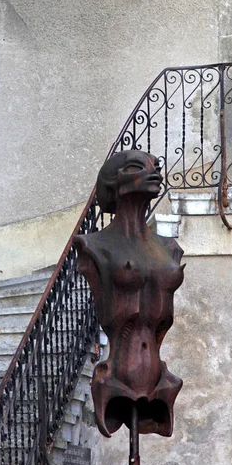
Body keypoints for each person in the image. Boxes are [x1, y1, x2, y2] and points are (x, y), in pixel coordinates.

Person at [74, 150, 184, 438]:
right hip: (115, 376)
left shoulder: (169, 248)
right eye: (138, 168)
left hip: (160, 377)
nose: (155, 174)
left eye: (156, 168)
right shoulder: (94, 245)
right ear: (114, 183)